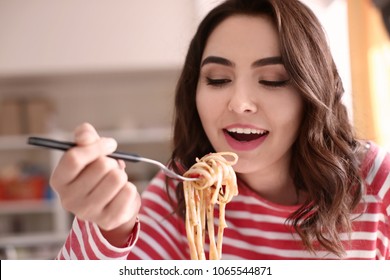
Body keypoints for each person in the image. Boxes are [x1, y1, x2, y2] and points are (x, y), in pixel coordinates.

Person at [51, 0, 389, 260]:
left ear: (311, 93)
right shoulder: (184, 187)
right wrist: (111, 228)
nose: (240, 103)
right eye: (218, 80)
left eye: (273, 81)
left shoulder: (377, 183)